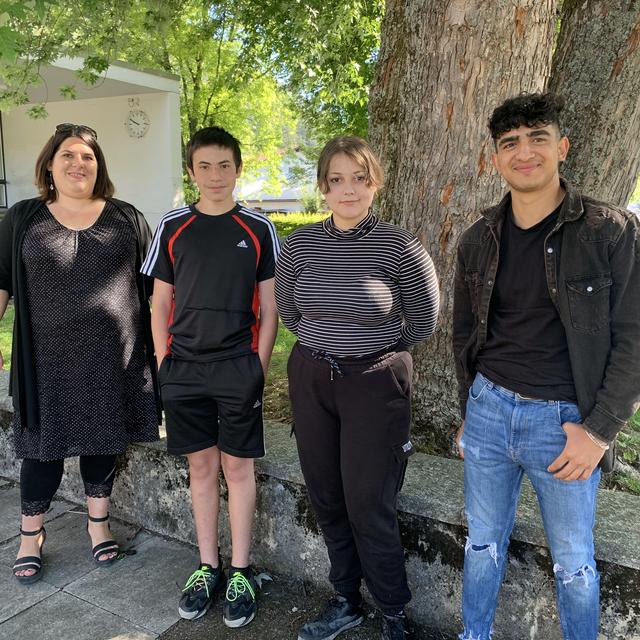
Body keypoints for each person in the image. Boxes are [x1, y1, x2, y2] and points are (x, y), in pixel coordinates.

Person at [453, 93, 640, 640]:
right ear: (495, 158)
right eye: (510, 142)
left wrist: (600, 433)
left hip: (565, 427)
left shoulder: (610, 232)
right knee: (482, 542)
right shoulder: (478, 239)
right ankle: (474, 634)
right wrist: (471, 410)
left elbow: (634, 338)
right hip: (489, 411)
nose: (524, 152)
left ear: (562, 147)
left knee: (574, 562)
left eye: (538, 138)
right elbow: (465, 333)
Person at [275, 136, 440, 640]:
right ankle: (346, 599)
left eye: (359, 178)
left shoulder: (399, 246)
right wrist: (326, 348)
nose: (348, 189)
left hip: (374, 384)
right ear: (323, 186)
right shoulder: (299, 244)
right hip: (312, 379)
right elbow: (289, 310)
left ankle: (393, 611)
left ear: (376, 184)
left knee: (369, 499)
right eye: (337, 179)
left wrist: (373, 351)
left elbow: (424, 320)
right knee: (326, 494)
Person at [0, 123, 161, 584]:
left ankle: (98, 524)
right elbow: (1, 281)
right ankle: (31, 535)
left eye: (88, 157)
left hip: (114, 357)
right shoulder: (23, 218)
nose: (78, 164)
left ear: (99, 166)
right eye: (67, 155)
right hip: (44, 361)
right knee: (40, 449)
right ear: (49, 164)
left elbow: (155, 290)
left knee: (103, 440)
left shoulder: (127, 217)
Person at [141, 126, 279, 627]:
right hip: (184, 371)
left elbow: (269, 305)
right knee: (200, 470)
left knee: (237, 470)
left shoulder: (259, 228)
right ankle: (208, 566)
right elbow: (159, 303)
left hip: (237, 369)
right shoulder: (174, 225)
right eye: (205, 166)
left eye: (225, 165)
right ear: (191, 171)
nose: (216, 176)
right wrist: (163, 361)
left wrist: (257, 368)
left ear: (237, 169)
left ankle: (240, 570)